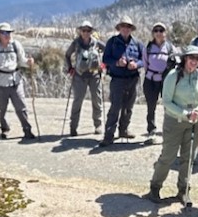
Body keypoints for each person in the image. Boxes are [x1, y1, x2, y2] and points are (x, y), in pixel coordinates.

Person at [145, 46, 198, 205]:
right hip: (175, 122)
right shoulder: (173, 76)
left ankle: (184, 190)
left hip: (195, 123)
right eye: (191, 58)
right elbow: (166, 102)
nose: (194, 61)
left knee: (188, 158)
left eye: (197, 59)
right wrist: (185, 113)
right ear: (185, 59)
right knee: (168, 156)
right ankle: (155, 187)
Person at [98, 15, 144, 146]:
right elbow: (106, 59)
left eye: (128, 26)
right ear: (119, 28)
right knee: (115, 107)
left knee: (128, 107)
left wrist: (137, 64)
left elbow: (144, 59)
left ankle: (123, 129)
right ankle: (108, 136)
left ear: (131, 29)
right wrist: (117, 63)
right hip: (117, 79)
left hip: (132, 78)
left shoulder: (137, 43)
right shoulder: (112, 42)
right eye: (123, 26)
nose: (125, 29)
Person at [0, 23, 36, 140]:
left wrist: (28, 62)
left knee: (21, 106)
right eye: (4, 33)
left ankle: (27, 129)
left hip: (15, 81)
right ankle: (4, 128)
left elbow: (22, 60)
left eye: (9, 32)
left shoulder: (15, 45)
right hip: (0, 82)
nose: (7, 35)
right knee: (1, 109)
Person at [63, 21, 105, 136]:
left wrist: (104, 65)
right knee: (78, 101)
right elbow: (67, 55)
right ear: (80, 31)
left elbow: (108, 51)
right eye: (84, 30)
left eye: (88, 30)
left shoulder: (97, 43)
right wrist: (70, 68)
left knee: (97, 100)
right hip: (79, 76)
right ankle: (73, 127)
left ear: (91, 31)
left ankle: (98, 125)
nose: (86, 33)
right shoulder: (75, 43)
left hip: (94, 75)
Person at [142, 22, 177, 144]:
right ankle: (151, 131)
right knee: (151, 106)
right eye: (156, 30)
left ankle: (169, 130)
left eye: (161, 30)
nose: (158, 33)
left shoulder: (170, 48)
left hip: (166, 80)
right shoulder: (148, 48)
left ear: (165, 33)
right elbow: (145, 64)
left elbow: (175, 63)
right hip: (151, 80)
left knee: (168, 105)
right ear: (153, 33)